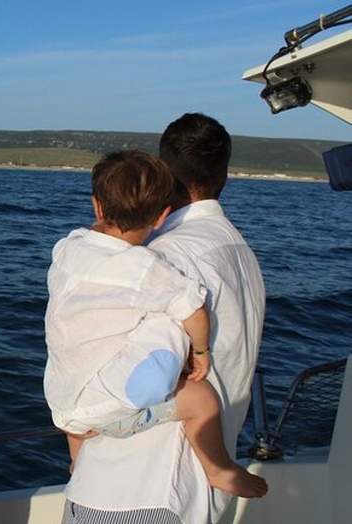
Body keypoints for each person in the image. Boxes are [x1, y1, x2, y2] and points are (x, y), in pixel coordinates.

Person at [59, 114, 267, 524]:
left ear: (164, 174)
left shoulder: (164, 262)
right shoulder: (243, 256)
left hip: (131, 492)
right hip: (192, 496)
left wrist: (76, 421)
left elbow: (142, 375)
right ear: (222, 173)